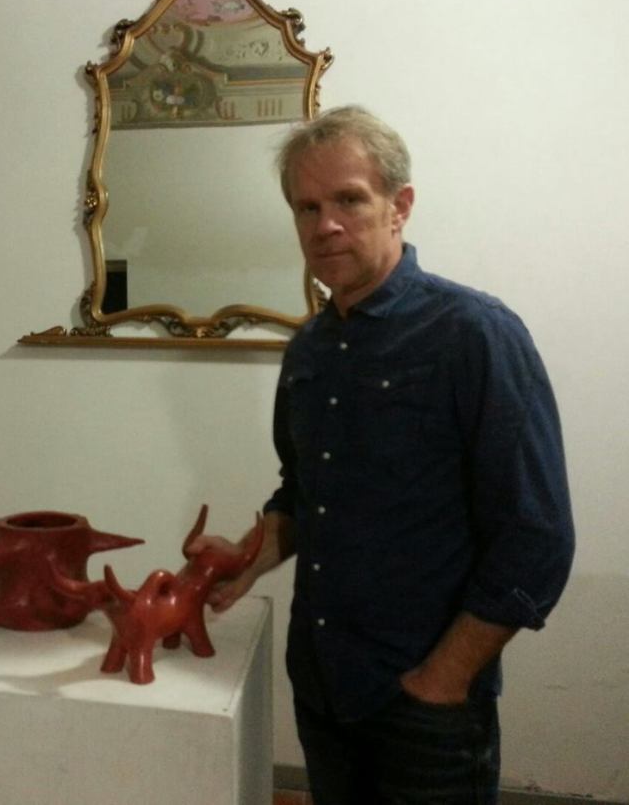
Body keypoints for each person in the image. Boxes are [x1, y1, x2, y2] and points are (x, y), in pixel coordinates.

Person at [188, 106, 575, 804]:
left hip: (423, 705)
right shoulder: (309, 350)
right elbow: (304, 494)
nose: (325, 225)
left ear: (399, 206)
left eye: (348, 200)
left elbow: (536, 537)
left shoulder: (475, 334)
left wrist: (442, 680)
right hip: (322, 686)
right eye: (307, 207)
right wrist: (247, 557)